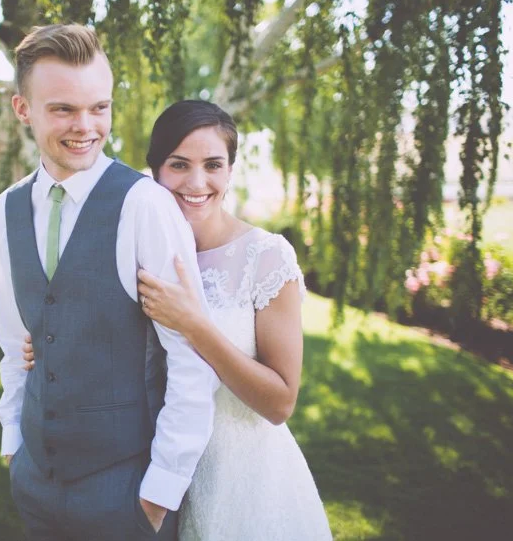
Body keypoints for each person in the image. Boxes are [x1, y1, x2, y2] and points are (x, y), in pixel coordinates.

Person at [24, 100, 333, 540]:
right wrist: (50, 345)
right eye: (179, 164)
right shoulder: (141, 245)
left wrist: (196, 326)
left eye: (213, 165)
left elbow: (280, 403)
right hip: (151, 466)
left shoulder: (266, 258)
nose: (196, 182)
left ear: (230, 171)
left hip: (242, 479)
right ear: (154, 171)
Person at [0, 25, 220, 541]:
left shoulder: (145, 204)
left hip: (125, 491)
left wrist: (159, 492)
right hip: (34, 484)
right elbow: (13, 339)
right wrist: (12, 439)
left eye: (100, 107)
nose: (86, 126)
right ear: (22, 109)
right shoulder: (3, 210)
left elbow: (191, 357)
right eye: (64, 109)